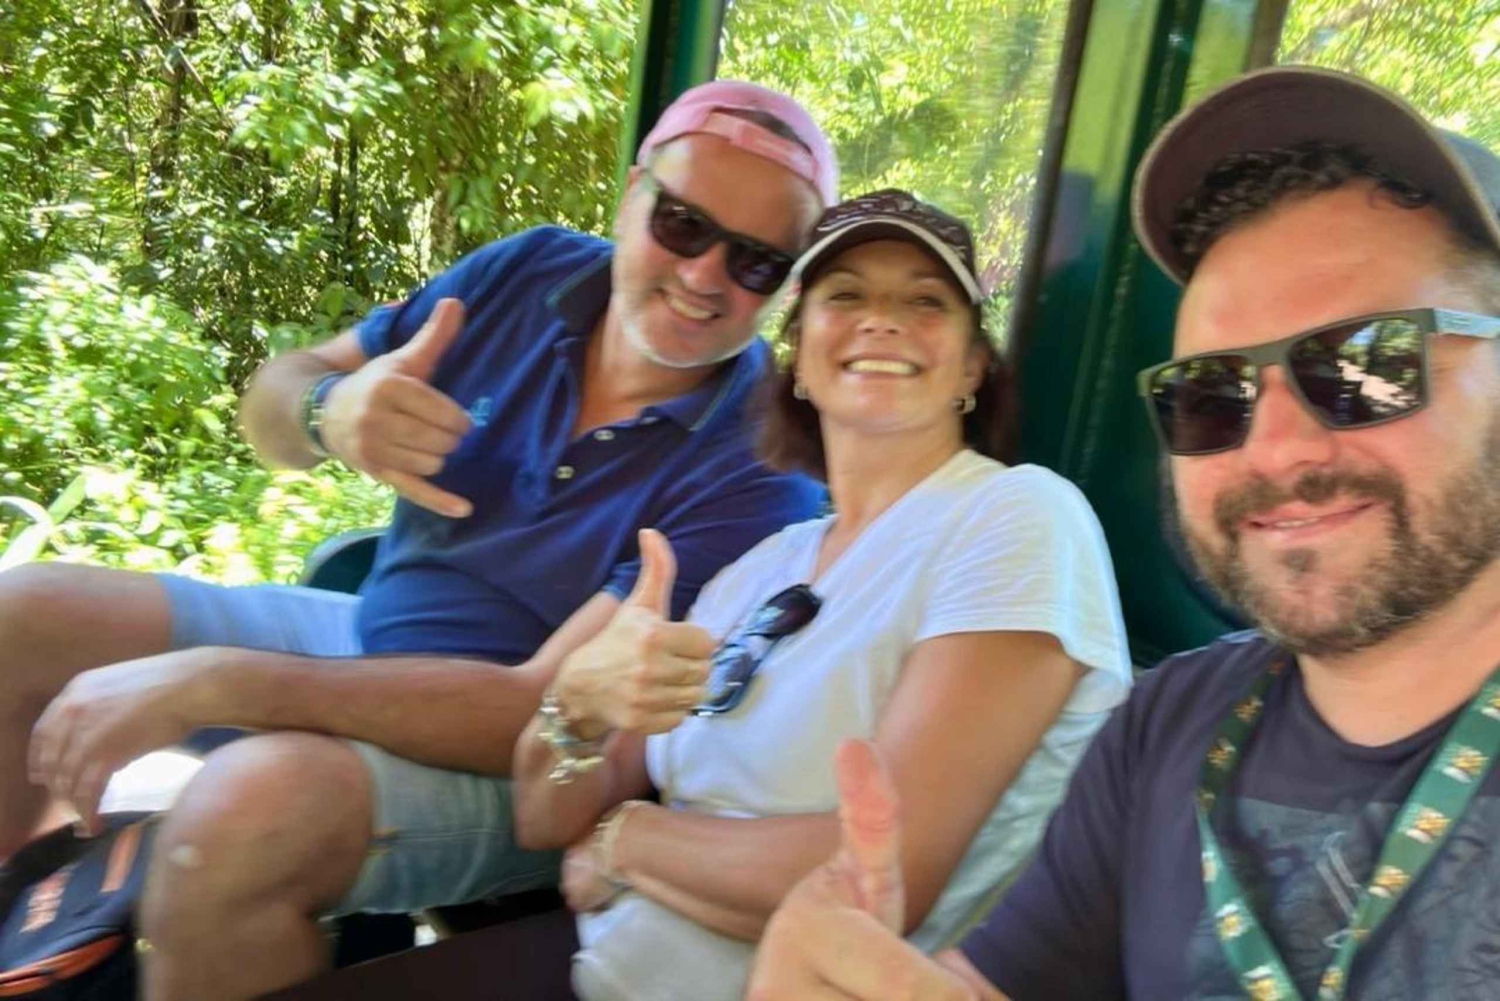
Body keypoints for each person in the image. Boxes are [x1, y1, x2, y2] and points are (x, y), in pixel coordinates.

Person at [0, 80, 839, 1000]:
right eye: (682, 223)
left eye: (757, 262)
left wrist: (214, 682)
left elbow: (536, 710)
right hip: (365, 635)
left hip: (526, 768)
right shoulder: (531, 274)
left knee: (240, 819)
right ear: (633, 193)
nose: (705, 275)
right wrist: (328, 411)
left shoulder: (761, 463)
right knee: (24, 616)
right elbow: (272, 403)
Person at [747, 66, 1500, 1000]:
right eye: (1213, 392)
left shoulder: (1011, 522)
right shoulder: (1169, 723)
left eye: (1365, 362)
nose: (1276, 447)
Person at [509, 190, 1133, 1001]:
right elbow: (546, 819)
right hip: (598, 959)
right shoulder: (760, 567)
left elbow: (879, 874)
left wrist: (626, 838)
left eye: (925, 301)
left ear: (973, 366)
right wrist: (576, 707)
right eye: (845, 295)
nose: (882, 320)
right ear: (799, 357)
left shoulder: (1018, 516)